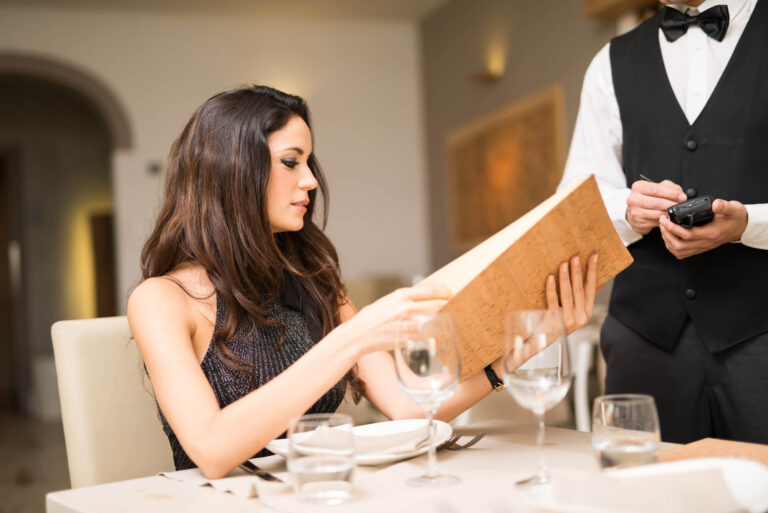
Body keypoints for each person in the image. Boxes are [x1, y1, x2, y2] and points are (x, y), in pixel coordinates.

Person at [128, 85, 599, 478]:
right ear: (232, 169)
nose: (311, 180)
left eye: (309, 162)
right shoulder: (162, 300)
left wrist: (519, 351)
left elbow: (408, 406)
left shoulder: (312, 280)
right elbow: (210, 450)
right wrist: (353, 337)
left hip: (322, 496)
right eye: (291, 162)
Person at [559, 0, 768, 444]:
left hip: (760, 333)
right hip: (644, 341)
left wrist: (747, 224)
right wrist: (628, 210)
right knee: (640, 495)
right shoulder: (610, 63)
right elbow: (575, 202)